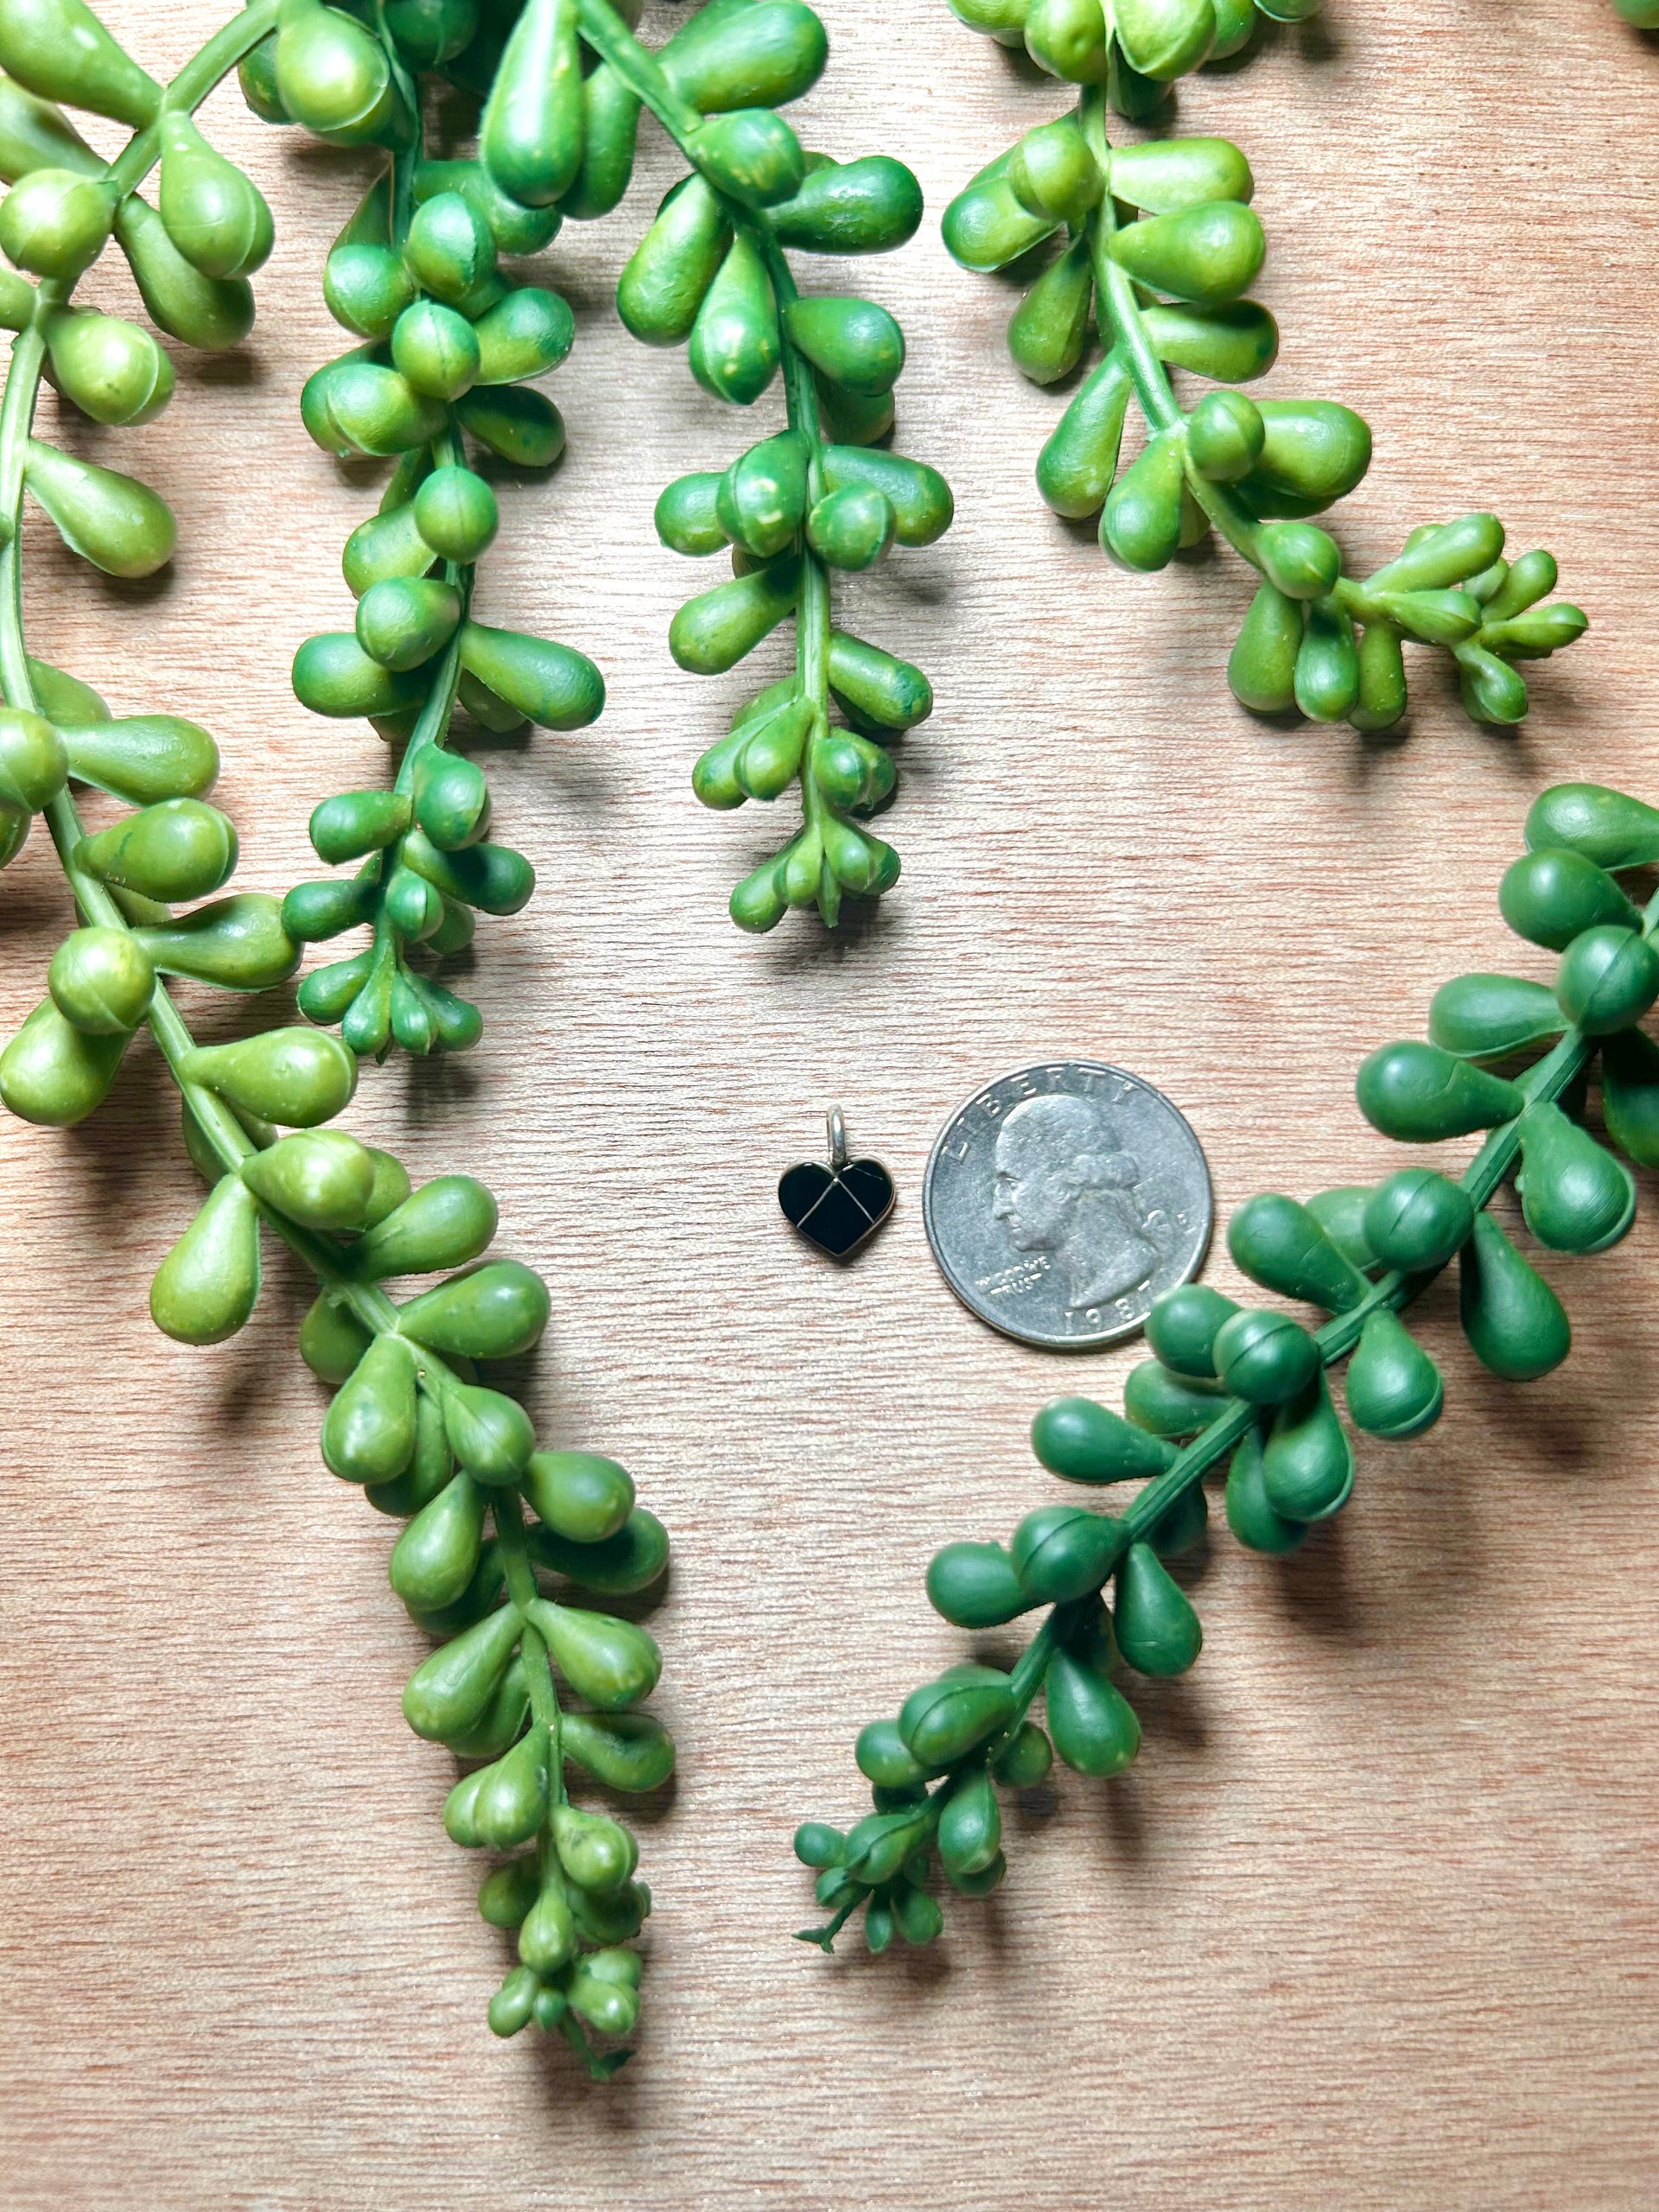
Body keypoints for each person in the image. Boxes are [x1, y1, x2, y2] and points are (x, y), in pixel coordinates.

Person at [991, 1092, 1160, 1311]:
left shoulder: (1125, 1270)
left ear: (1071, 1178)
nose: (999, 1209)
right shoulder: (1090, 1282)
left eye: (1012, 1184)